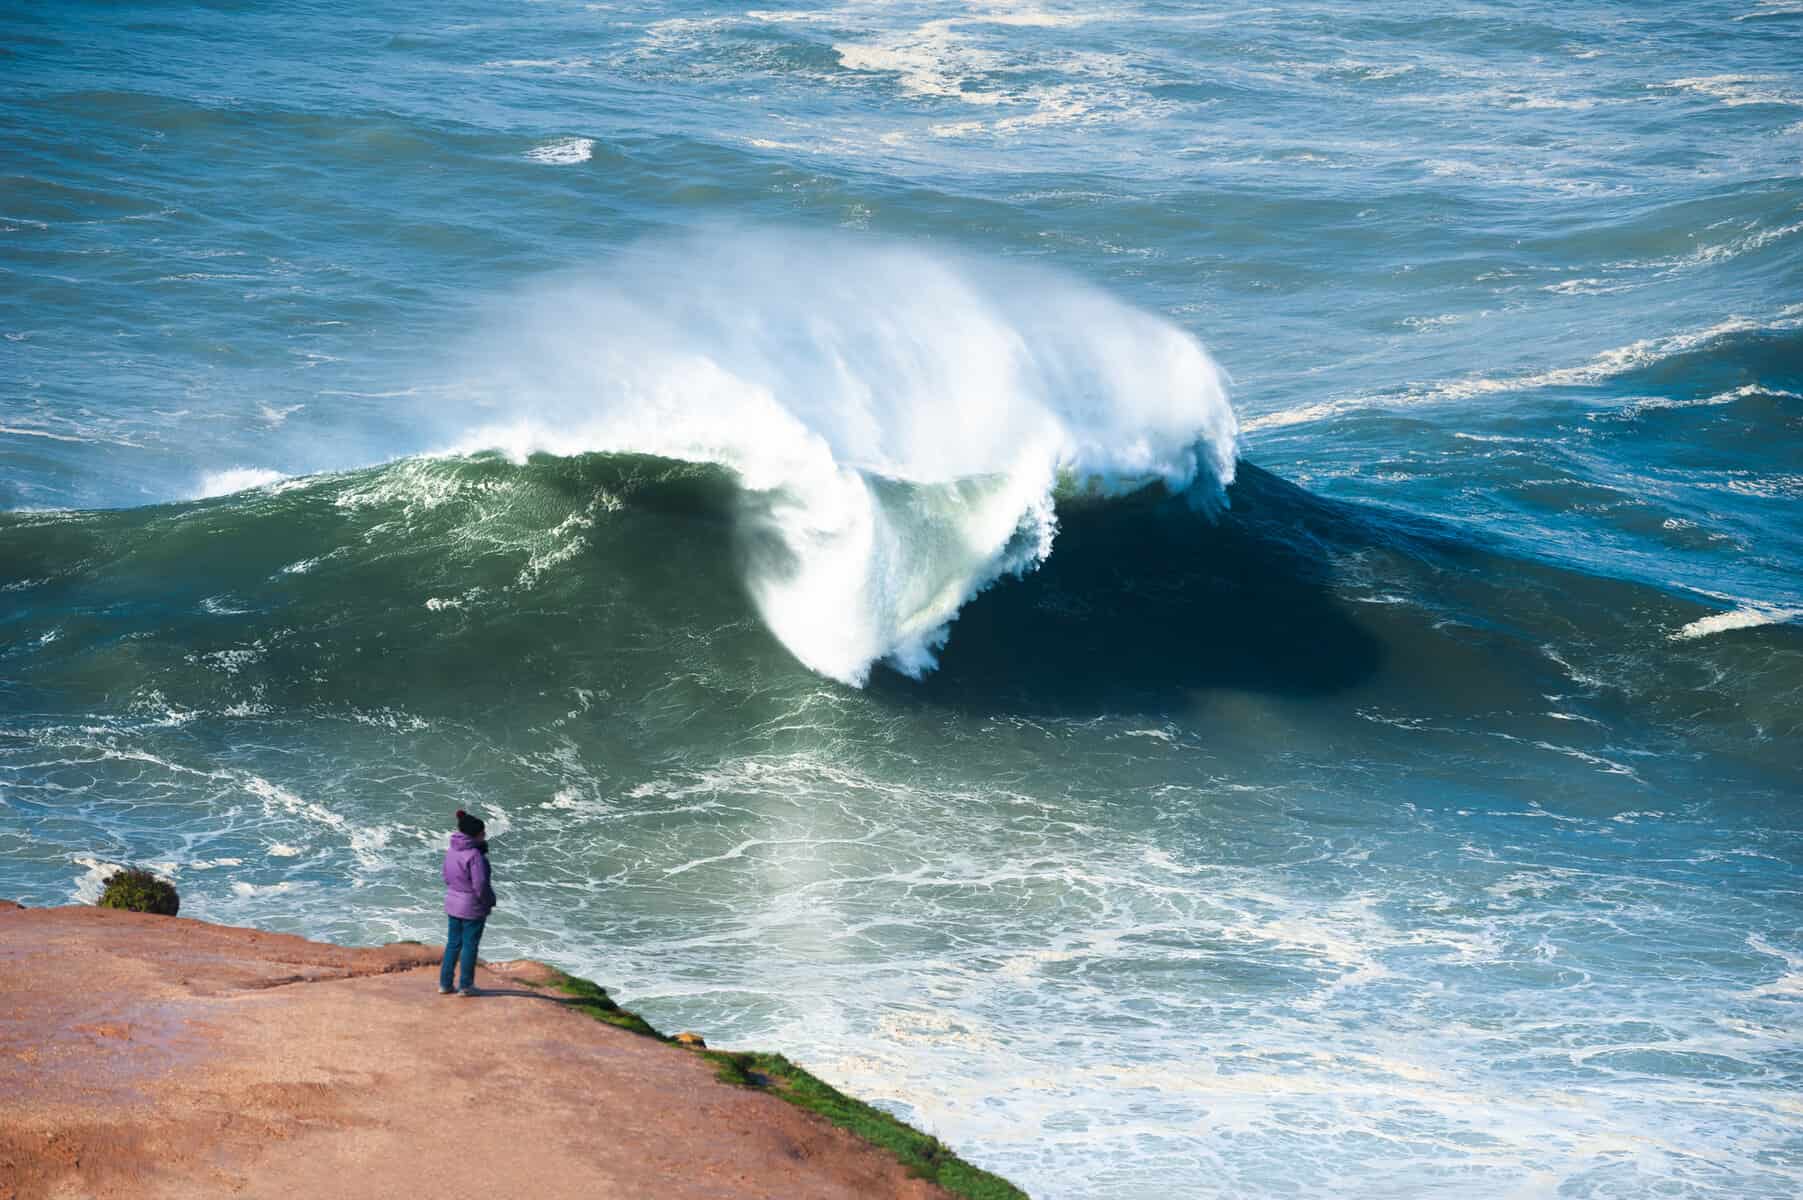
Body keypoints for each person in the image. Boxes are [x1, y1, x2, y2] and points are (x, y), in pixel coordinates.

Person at [439, 809, 496, 996]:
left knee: (453, 944)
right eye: (482, 832)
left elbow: (446, 876)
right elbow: (480, 886)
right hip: (472, 906)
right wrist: (488, 902)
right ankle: (466, 986)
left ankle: (445, 984)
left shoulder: (452, 850)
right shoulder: (475, 856)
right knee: (470, 946)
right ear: (475, 834)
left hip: (453, 903)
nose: (485, 835)